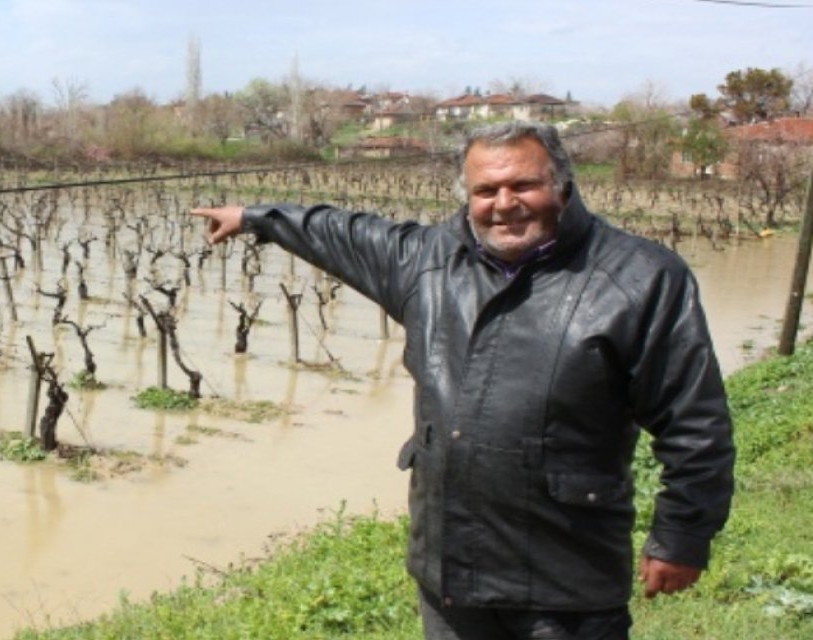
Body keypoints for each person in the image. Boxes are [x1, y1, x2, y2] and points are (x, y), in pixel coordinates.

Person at [190, 120, 735, 640]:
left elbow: (694, 422)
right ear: (467, 196)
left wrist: (682, 536)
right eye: (486, 189)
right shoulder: (428, 262)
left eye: (524, 184)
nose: (504, 204)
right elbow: (342, 233)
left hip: (565, 576)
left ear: (563, 184)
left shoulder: (640, 278)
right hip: (451, 570)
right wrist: (256, 217)